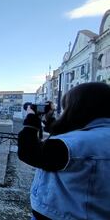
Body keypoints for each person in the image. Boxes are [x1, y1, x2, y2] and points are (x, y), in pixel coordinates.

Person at [18, 82, 110, 220]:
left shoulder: (71, 144)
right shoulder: (99, 135)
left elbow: (28, 151)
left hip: (61, 214)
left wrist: (31, 119)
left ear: (78, 107)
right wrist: (49, 120)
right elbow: (69, 133)